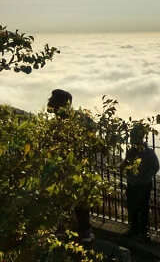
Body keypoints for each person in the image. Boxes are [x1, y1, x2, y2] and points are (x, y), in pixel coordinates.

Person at [46, 88, 95, 244]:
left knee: (68, 202)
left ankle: (64, 232)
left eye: (52, 99)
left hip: (68, 168)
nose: (49, 101)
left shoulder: (62, 122)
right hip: (76, 167)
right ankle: (83, 233)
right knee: (78, 203)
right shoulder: (78, 119)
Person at [122, 124, 160, 242]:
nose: (132, 139)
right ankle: (134, 229)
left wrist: (144, 177)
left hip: (143, 185)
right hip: (133, 183)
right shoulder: (131, 152)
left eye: (134, 137)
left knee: (143, 208)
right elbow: (127, 164)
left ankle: (143, 232)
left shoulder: (148, 152)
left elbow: (155, 167)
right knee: (132, 207)